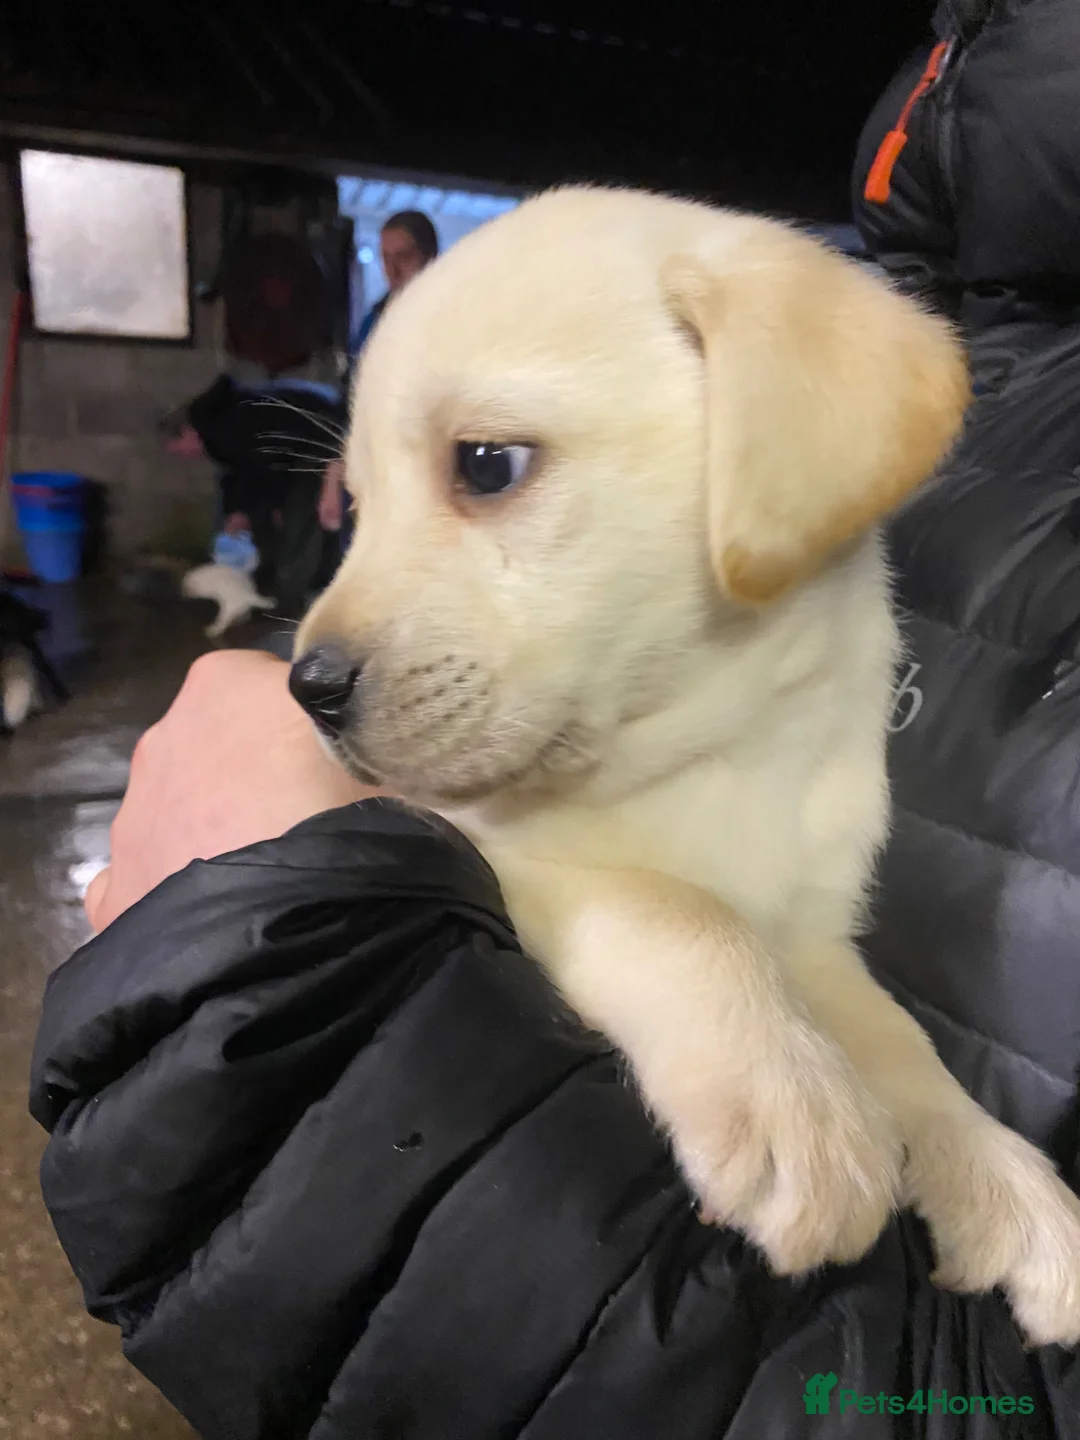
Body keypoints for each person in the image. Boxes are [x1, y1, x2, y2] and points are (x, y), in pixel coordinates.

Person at [27, 5, 1080, 1435]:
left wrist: (929, 1122)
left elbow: (769, 926)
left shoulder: (812, 352)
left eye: (488, 466)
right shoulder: (960, 284)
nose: (325, 639)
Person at [169, 373, 348, 620]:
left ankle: (289, 607)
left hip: (317, 451)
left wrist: (282, 503)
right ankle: (268, 587)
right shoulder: (218, 427)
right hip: (294, 457)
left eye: (180, 450)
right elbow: (241, 472)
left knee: (298, 527)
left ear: (187, 433)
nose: (184, 456)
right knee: (270, 520)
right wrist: (238, 511)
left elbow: (263, 467)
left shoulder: (228, 424)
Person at [318, 212, 439, 540]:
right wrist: (333, 477)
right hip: (371, 474)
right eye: (386, 257)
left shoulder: (451, 321)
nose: (393, 269)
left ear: (430, 256)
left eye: (404, 256)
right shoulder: (374, 323)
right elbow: (351, 403)